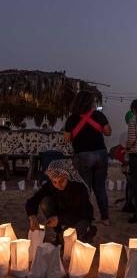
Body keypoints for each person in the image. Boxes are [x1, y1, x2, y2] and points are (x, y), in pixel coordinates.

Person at [64, 91, 112, 225]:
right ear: (91, 102)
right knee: (100, 188)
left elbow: (67, 139)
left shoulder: (72, 119)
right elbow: (108, 132)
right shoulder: (99, 115)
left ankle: (87, 217)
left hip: (82, 155)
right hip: (100, 154)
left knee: (85, 188)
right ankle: (105, 218)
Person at [26, 160, 96, 243]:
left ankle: (88, 231)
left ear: (67, 176)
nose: (58, 185)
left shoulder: (78, 187)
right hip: (63, 217)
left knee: (67, 240)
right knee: (44, 201)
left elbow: (82, 213)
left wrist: (59, 219)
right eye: (54, 182)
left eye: (61, 181)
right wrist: (32, 217)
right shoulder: (49, 186)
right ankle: (59, 232)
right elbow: (33, 200)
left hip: (80, 218)